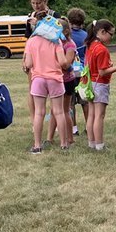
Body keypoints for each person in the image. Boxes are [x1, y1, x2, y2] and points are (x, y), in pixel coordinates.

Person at [22, 15, 71, 153]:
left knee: (39, 113)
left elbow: (29, 64)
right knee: (59, 111)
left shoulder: (31, 41)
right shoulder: (56, 41)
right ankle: (64, 144)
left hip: (38, 79)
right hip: (55, 78)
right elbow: (63, 62)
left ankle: (37, 145)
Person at [83, 19, 116, 151]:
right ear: (102, 32)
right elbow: (103, 72)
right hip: (100, 85)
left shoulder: (91, 45)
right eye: (111, 34)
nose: (111, 37)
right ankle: (100, 145)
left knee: (91, 114)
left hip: (90, 84)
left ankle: (91, 142)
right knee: (99, 116)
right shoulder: (102, 49)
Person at [24, 0, 56, 119]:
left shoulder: (54, 15)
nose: (36, 6)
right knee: (33, 90)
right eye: (33, 3)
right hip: (34, 58)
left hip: (51, 56)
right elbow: (28, 41)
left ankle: (54, 118)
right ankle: (34, 120)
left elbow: (57, 34)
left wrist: (39, 24)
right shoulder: (30, 16)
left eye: (39, 3)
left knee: (53, 91)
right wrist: (24, 58)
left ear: (45, 1)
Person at [45, 17, 78, 149]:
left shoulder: (70, 45)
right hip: (55, 79)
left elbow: (67, 63)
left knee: (64, 110)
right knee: (53, 110)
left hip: (66, 81)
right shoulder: (54, 43)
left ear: (64, 31)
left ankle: (69, 138)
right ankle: (49, 138)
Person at [65, 7, 88, 135]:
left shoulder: (68, 35)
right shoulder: (86, 35)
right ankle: (88, 125)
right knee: (85, 101)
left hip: (71, 71)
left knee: (70, 102)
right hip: (83, 72)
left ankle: (73, 128)